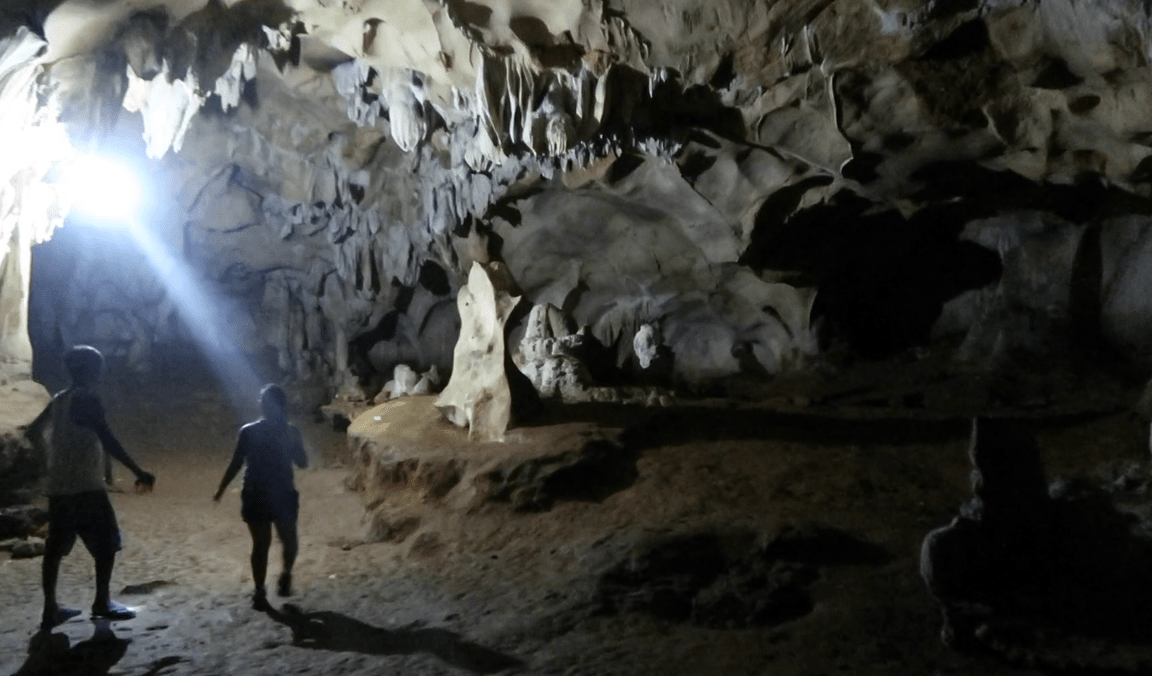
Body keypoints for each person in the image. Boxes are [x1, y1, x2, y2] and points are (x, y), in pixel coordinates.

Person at [26, 345, 156, 631]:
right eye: (99, 366)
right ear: (91, 370)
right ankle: (102, 602)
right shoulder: (88, 398)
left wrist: (50, 463)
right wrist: (138, 471)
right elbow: (107, 439)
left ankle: (50, 608)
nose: (101, 371)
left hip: (60, 487)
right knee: (107, 544)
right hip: (85, 486)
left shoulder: (60, 399)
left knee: (55, 549)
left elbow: (34, 432)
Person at [213, 384, 308, 610]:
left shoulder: (249, 431)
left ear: (263, 406)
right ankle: (284, 574)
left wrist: (222, 488)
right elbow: (303, 463)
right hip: (282, 492)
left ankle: (259, 590)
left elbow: (236, 463)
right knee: (289, 540)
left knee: (260, 544)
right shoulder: (291, 431)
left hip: (257, 492)